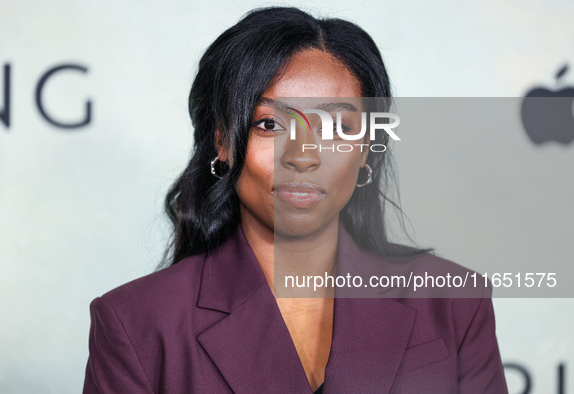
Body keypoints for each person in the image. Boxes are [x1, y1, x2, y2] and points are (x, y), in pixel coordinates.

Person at [83, 7, 508, 393]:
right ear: (223, 143)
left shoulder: (453, 302)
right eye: (269, 124)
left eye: (336, 127)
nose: (303, 156)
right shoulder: (135, 323)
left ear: (365, 150)